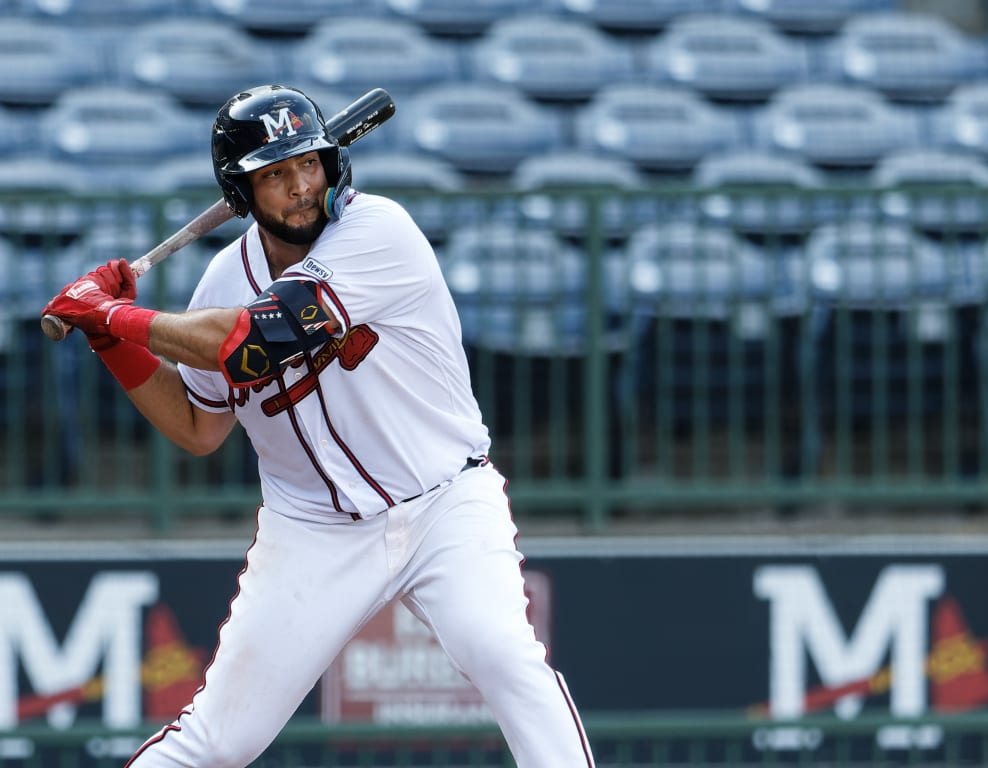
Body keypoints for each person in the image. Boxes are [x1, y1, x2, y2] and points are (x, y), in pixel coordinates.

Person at [42, 85, 594, 768]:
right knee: (221, 741)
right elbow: (195, 426)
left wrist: (113, 315)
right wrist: (110, 342)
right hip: (314, 530)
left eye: (309, 163)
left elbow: (254, 340)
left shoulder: (380, 230)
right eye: (275, 174)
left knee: (504, 657)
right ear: (241, 194)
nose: (302, 186)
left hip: (444, 502)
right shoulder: (222, 280)